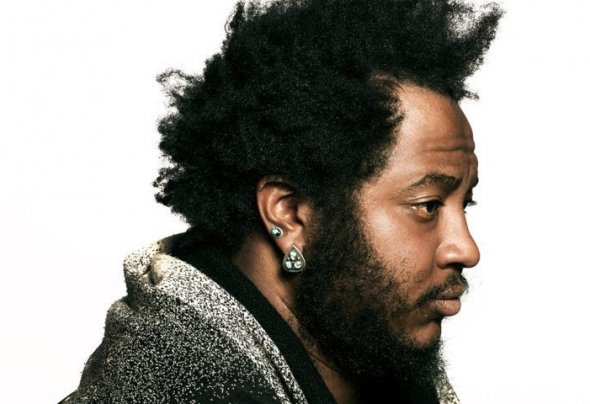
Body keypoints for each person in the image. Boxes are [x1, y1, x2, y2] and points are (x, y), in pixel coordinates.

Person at [62, 0, 502, 402]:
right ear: (288, 216)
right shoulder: (165, 388)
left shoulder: (376, 360)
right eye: (428, 205)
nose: (466, 249)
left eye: (464, 204)